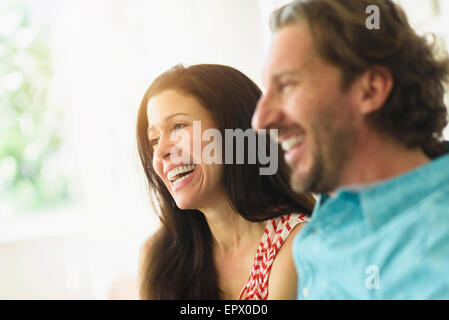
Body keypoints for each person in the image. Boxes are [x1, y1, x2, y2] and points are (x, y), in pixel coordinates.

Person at [252, 0, 449, 299]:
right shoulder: (339, 201)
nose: (259, 121)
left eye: (288, 85)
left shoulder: (433, 258)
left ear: (370, 89)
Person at [136, 64, 315, 299]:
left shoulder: (297, 246)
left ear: (234, 132)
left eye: (178, 126)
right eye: (154, 140)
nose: (160, 152)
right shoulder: (156, 256)